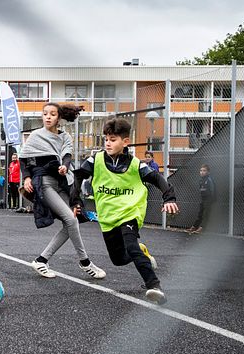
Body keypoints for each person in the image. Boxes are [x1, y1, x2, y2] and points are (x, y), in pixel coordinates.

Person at [71, 118, 179, 305]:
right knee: (119, 260)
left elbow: (157, 179)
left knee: (131, 245)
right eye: (106, 139)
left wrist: (169, 198)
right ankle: (143, 253)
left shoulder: (136, 164)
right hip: (107, 216)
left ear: (125, 142)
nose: (108, 143)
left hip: (130, 211)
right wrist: (75, 200)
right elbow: (79, 176)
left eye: (113, 139)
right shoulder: (95, 159)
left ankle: (154, 286)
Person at [20, 103, 106, 280]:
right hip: (45, 183)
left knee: (71, 222)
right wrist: (27, 178)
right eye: (45, 114)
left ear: (59, 118)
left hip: (63, 182)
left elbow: (67, 155)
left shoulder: (65, 136)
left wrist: (64, 167)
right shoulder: (36, 136)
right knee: (70, 219)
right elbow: (24, 160)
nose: (48, 117)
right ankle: (85, 262)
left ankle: (41, 260)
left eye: (52, 114)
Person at [188, 164, 215, 234]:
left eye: (204, 171)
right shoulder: (201, 181)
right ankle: (194, 226)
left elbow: (213, 190)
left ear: (208, 172)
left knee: (206, 214)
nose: (202, 172)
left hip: (209, 200)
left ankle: (202, 228)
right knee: (200, 214)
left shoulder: (209, 180)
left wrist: (211, 200)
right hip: (203, 199)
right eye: (201, 171)